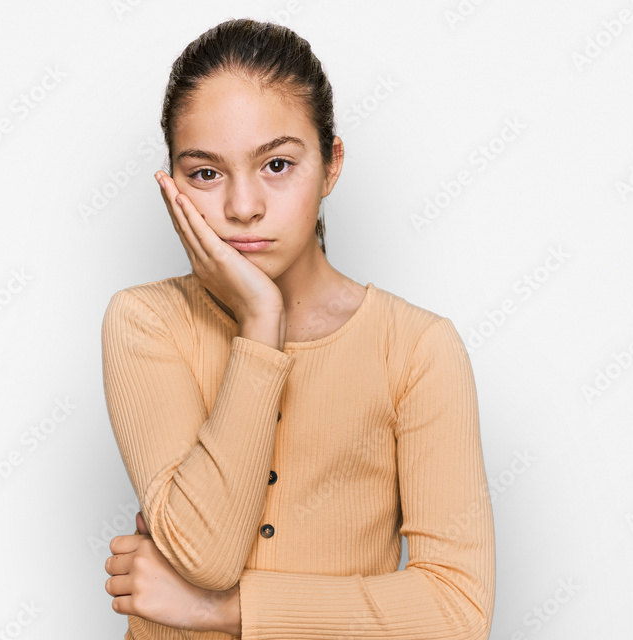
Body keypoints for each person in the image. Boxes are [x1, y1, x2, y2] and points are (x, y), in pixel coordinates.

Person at [101, 18, 495, 639]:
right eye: (205, 173)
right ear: (173, 181)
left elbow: (457, 610)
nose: (242, 206)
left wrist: (225, 612)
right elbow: (207, 553)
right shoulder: (146, 322)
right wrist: (261, 322)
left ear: (331, 164)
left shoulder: (416, 349)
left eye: (277, 164)